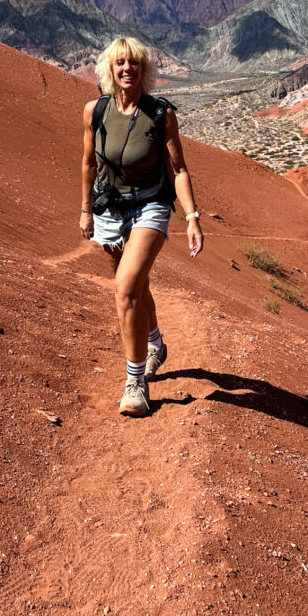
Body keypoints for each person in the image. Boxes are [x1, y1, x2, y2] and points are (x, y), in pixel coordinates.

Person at [80, 37, 204, 416]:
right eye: (120, 63)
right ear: (109, 69)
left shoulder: (161, 114)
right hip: (109, 209)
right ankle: (156, 345)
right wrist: (86, 210)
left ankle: (135, 382)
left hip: (150, 206)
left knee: (127, 286)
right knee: (134, 285)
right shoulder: (95, 111)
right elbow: (88, 163)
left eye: (133, 63)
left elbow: (179, 170)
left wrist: (192, 217)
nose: (127, 69)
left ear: (143, 69)